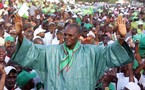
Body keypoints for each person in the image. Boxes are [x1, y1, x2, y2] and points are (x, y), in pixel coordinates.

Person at [12, 15, 134, 90]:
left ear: (79, 36)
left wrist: (122, 37)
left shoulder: (91, 52)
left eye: (70, 35)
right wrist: (20, 35)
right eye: (65, 34)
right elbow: (32, 51)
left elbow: (109, 53)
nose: (67, 37)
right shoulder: (51, 51)